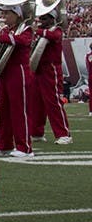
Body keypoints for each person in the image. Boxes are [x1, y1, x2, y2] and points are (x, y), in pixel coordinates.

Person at [0, 5, 35, 158]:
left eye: (8, 13)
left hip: (19, 71)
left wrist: (1, 37)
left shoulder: (26, 29)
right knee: (4, 109)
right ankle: (5, 145)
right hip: (5, 72)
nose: (5, 16)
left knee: (19, 109)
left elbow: (23, 41)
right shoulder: (6, 31)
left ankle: (25, 147)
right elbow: (0, 50)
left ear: (17, 15)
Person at [29, 11, 72, 144]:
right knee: (36, 103)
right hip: (38, 70)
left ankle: (64, 134)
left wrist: (38, 31)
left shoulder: (56, 29)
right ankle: (37, 132)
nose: (41, 21)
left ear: (51, 19)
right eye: (41, 18)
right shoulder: (41, 31)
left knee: (53, 102)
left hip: (51, 70)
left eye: (44, 18)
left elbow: (54, 36)